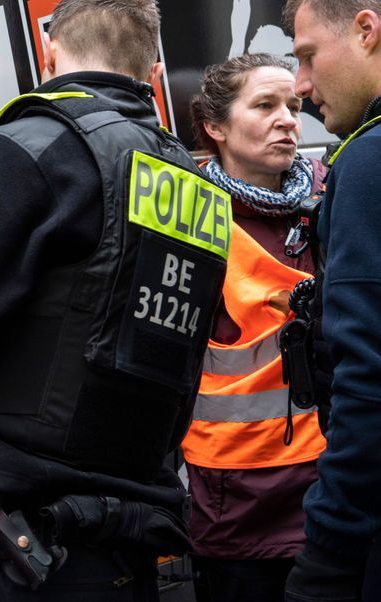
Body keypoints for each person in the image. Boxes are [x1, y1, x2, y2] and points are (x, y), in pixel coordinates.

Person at [0, 0, 231, 599]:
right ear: (153, 73)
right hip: (134, 543)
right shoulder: (189, 178)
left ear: (49, 52)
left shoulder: (32, 145)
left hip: (21, 547)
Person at [182, 53, 327, 602]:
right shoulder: (185, 215)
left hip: (330, 485)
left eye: (292, 105)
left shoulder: (329, 196)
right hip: (235, 500)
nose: (289, 118)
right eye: (265, 105)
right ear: (215, 127)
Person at [281, 1, 381, 600]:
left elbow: (370, 386)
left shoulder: (367, 161)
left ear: (367, 30)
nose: (302, 85)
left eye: (308, 56)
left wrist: (329, 556)